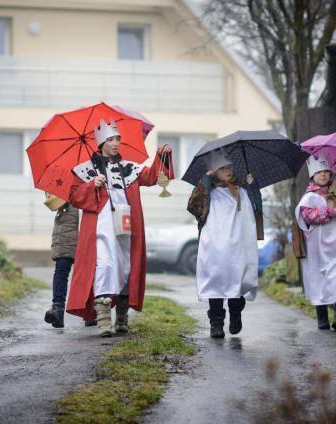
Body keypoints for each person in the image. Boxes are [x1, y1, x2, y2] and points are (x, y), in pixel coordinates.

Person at [66, 118, 173, 337]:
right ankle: (104, 320)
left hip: (126, 224)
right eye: (111, 139)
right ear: (101, 143)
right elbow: (74, 197)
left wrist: (162, 155)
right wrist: (90, 185)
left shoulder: (128, 168)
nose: (116, 143)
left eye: (118, 139)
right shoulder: (85, 170)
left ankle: (122, 318)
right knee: (104, 265)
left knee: (125, 268)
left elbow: (152, 176)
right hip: (100, 227)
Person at [187, 149, 262, 338]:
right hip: (215, 247)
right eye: (222, 168)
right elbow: (194, 207)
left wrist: (254, 187)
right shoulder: (208, 194)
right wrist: (205, 179)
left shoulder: (242, 192)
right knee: (216, 282)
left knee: (237, 281)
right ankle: (216, 323)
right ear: (214, 172)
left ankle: (235, 313)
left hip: (238, 246)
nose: (227, 171)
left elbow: (256, 210)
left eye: (229, 167)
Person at [295, 155, 336, 331]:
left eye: (326, 171)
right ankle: (322, 316)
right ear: (312, 176)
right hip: (317, 248)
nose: (323, 175)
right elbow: (310, 216)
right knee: (319, 280)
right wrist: (334, 210)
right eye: (319, 172)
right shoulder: (309, 197)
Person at [42, 194, 97, 328]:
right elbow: (52, 203)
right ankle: (58, 310)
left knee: (89, 271)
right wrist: (60, 194)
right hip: (66, 229)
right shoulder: (62, 178)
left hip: (90, 224)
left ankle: (90, 312)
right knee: (62, 269)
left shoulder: (93, 175)